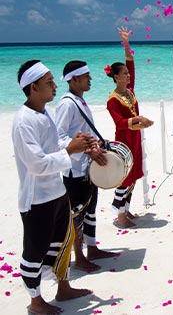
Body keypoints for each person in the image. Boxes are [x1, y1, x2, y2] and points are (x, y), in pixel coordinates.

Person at [12, 60, 93, 315]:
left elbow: (54, 148)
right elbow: (37, 164)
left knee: (62, 242)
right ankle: (35, 301)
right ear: (33, 87)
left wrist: (77, 145)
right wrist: (70, 150)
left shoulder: (45, 113)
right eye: (49, 83)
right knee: (35, 250)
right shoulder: (24, 120)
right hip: (36, 199)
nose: (55, 85)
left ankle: (63, 287)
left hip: (57, 192)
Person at [56, 61, 119, 272]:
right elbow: (59, 137)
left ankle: (92, 248)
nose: (90, 79)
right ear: (74, 80)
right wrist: (86, 149)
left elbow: (81, 132)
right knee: (77, 214)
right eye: (86, 76)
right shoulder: (66, 104)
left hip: (88, 167)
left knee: (90, 210)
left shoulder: (79, 101)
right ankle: (79, 256)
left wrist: (96, 146)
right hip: (75, 170)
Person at [106, 27, 154, 228]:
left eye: (127, 74)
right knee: (124, 177)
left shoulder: (130, 91)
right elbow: (119, 123)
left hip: (135, 138)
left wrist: (126, 44)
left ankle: (126, 209)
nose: (128, 75)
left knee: (133, 175)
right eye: (124, 74)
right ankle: (119, 214)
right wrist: (140, 120)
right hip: (124, 140)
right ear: (116, 77)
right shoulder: (113, 100)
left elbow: (131, 64)